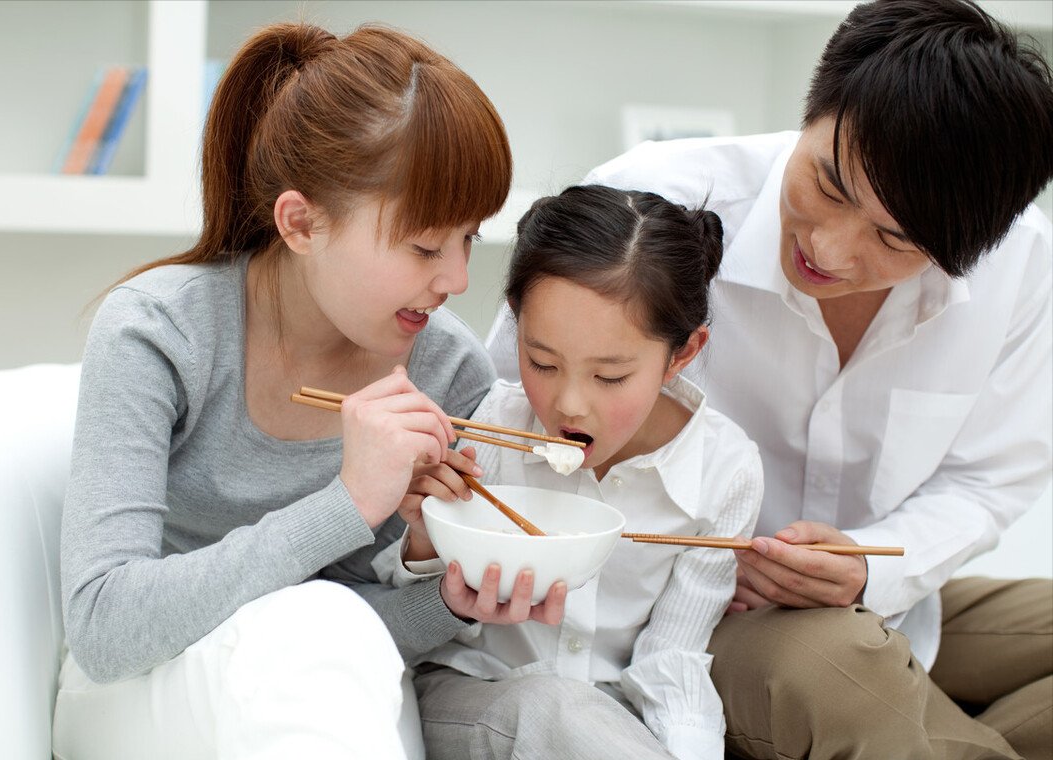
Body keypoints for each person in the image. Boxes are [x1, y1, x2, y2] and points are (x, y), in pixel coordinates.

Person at [485, 1, 1053, 758]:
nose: (831, 248)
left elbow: (986, 482)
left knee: (869, 663)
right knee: (843, 670)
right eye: (828, 183)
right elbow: (512, 406)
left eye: (893, 238)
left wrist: (867, 571)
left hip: (880, 612)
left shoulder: (1021, 266)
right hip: (683, 617)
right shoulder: (654, 211)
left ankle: (907, 728)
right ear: (812, 110)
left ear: (971, 243)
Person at [51, 22, 563, 760]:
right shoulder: (161, 332)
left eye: (469, 240)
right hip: (136, 689)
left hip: (311, 691)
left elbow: (363, 637)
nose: (455, 280)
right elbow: (104, 629)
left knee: (324, 630)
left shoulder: (447, 373)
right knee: (315, 625)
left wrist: (446, 597)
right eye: (424, 245)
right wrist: (347, 504)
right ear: (300, 223)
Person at [379, 185, 763, 760]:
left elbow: (673, 659)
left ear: (682, 354)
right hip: (474, 696)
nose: (569, 404)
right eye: (542, 362)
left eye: (610, 377)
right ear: (516, 324)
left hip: (613, 721)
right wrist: (425, 535)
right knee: (556, 708)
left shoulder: (725, 472)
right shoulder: (491, 427)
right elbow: (404, 607)